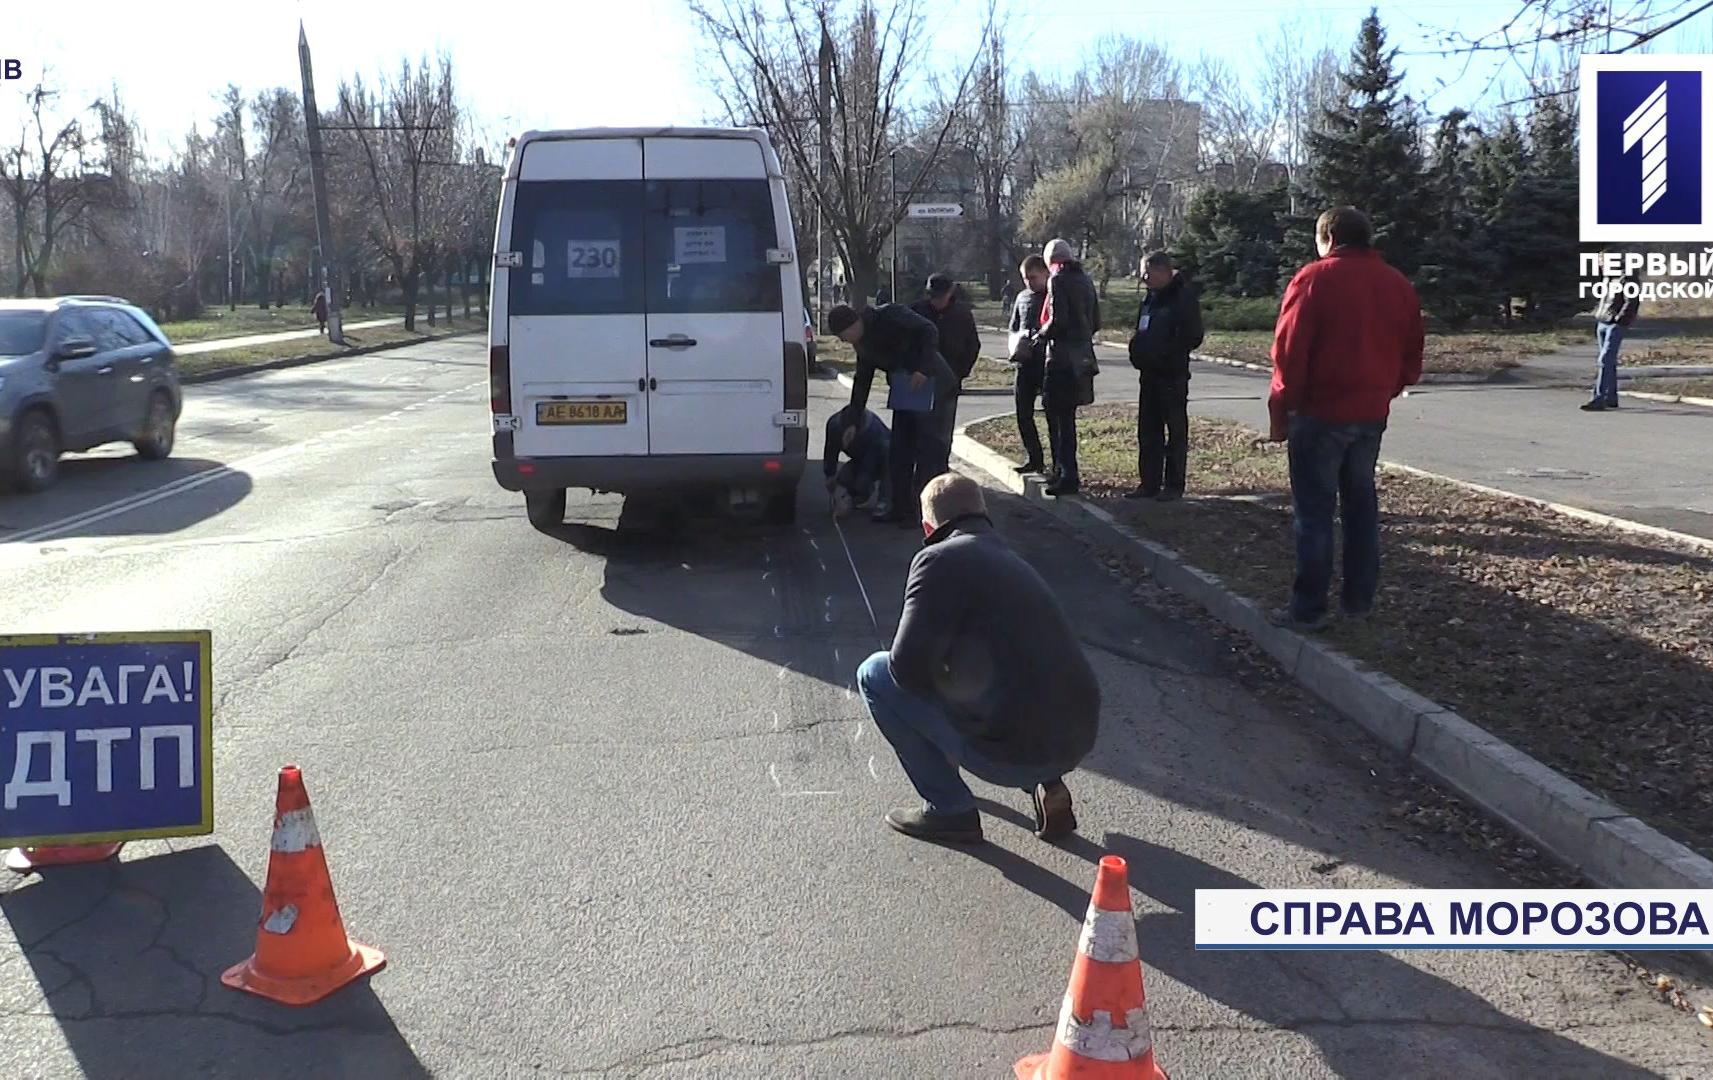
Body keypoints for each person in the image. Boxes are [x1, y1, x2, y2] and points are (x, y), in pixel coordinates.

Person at [855, 473, 1101, 844]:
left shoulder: (936, 559)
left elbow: (904, 669)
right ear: (983, 513)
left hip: (1015, 753)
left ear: (927, 525)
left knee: (873, 672)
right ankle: (1047, 782)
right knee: (1011, 670)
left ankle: (949, 808)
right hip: (1077, 736)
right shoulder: (1008, 558)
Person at [1266, 206, 1423, 630]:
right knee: (1360, 504)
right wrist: (1385, 388)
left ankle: (1308, 607)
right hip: (1370, 412)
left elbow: (1289, 351)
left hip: (1320, 412)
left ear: (1328, 239)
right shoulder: (1397, 284)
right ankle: (1358, 599)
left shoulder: (1315, 279)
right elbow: (1412, 354)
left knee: (1314, 512)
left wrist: (1282, 407)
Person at [827, 301, 959, 526]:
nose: (844, 341)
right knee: (899, 452)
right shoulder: (863, 345)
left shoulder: (890, 315)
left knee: (930, 452)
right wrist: (853, 421)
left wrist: (922, 369)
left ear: (854, 323)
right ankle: (901, 509)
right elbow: (862, 382)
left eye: (844, 335)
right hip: (905, 391)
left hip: (934, 385)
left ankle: (927, 513)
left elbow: (929, 330)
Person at [1126, 251, 1203, 502]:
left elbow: (1193, 336)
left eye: (1147, 272)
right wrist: (1137, 350)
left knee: (1175, 431)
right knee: (1148, 430)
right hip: (1148, 375)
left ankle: (1173, 485)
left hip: (1172, 375)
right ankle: (1148, 482)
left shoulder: (1183, 298)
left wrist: (1166, 353)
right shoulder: (1150, 298)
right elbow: (1142, 329)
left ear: (1163, 271)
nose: (1143, 277)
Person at [1038, 238, 1100, 497]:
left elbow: (1058, 319)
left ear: (1050, 261)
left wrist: (1040, 334)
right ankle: (1066, 470)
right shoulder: (1086, 280)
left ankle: (1065, 473)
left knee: (1058, 417)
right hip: (1083, 356)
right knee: (1068, 418)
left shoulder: (1057, 279)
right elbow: (1096, 319)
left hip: (1061, 358)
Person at [1007, 255, 1051, 474]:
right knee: (1023, 413)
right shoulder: (1022, 297)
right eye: (1025, 278)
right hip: (1024, 363)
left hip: (1047, 363)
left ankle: (1058, 463)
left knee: (1053, 415)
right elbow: (1013, 326)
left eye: (1033, 277)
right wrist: (1017, 342)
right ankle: (1034, 458)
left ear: (1045, 273)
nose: (1029, 282)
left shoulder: (1053, 297)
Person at [912, 272, 981, 391]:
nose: (937, 301)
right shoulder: (916, 311)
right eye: (933, 296)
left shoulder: (962, 314)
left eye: (941, 297)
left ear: (949, 293)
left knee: (945, 407)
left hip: (951, 375)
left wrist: (961, 372)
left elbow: (972, 345)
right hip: (919, 376)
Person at [1585, 271, 1640, 412]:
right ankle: (1611, 397)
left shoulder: (1628, 278)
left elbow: (1632, 302)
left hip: (1615, 324)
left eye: (1604, 260)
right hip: (1602, 320)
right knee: (1609, 362)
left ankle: (1598, 398)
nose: (1601, 264)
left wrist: (1620, 320)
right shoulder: (1607, 278)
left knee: (1605, 359)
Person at [823, 407, 890, 516]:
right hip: (861, 458)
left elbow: (867, 468)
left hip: (883, 458)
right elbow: (830, 451)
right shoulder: (833, 425)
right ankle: (860, 496)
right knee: (844, 477)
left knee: (863, 480)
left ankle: (885, 500)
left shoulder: (874, 433)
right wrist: (830, 475)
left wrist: (849, 496)